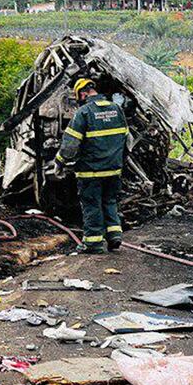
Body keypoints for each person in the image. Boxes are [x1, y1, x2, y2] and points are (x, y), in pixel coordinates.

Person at [55, 78, 128, 254]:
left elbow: (70, 145)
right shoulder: (117, 109)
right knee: (110, 201)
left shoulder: (84, 113)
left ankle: (93, 243)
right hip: (114, 169)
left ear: (83, 93)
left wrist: (59, 162)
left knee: (92, 204)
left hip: (91, 171)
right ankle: (114, 236)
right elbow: (126, 139)